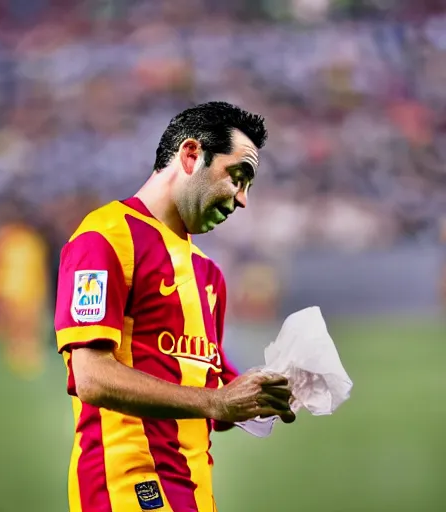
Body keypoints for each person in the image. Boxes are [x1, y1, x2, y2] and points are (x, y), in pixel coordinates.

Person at [54, 101, 295, 512]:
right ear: (191, 155)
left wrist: (270, 392)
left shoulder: (208, 275)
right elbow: (91, 377)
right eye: (238, 178)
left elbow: (211, 392)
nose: (242, 200)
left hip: (195, 494)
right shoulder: (105, 238)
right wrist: (217, 402)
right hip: (128, 490)